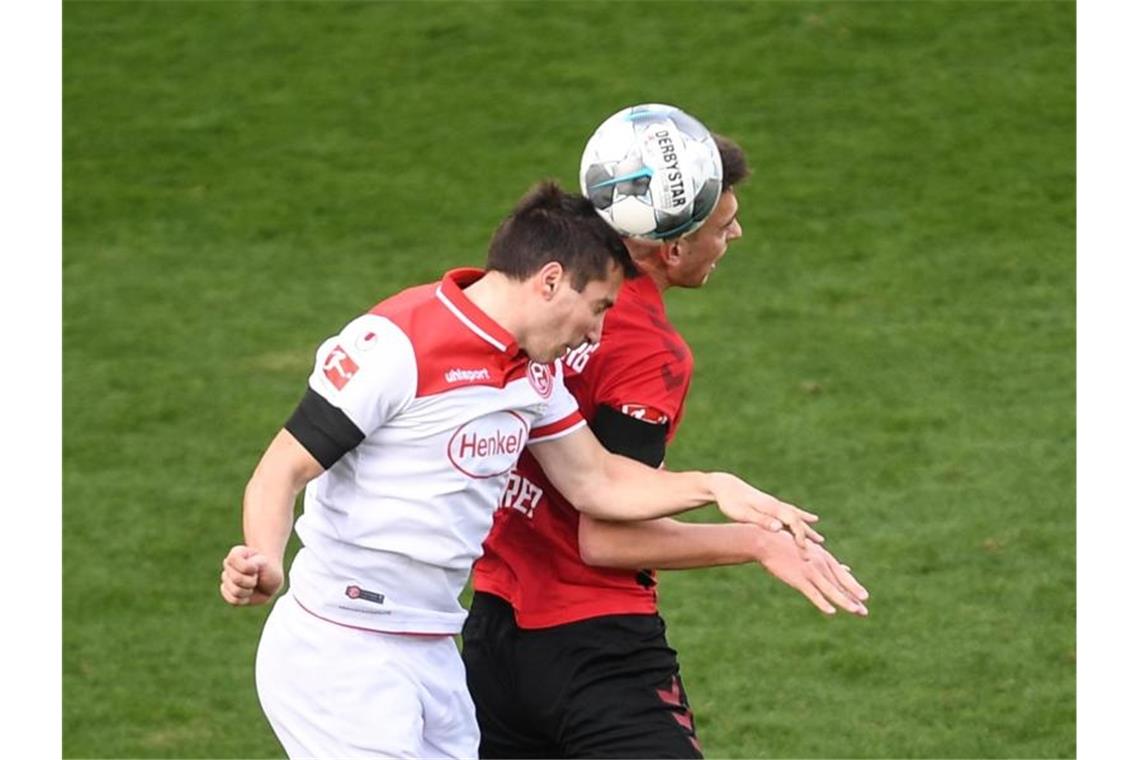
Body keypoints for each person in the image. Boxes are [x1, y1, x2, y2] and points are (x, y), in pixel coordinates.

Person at [219, 181, 823, 759]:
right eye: (597, 308)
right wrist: (264, 556)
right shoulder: (399, 343)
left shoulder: (534, 374)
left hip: (431, 648)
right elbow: (281, 468)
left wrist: (714, 486)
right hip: (343, 647)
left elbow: (597, 481)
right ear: (551, 281)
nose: (598, 331)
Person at [463, 136, 870, 759]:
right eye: (725, 225)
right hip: (595, 649)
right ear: (674, 245)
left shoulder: (534, 304)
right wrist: (758, 542)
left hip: (490, 636)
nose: (734, 236)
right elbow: (606, 537)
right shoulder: (648, 350)